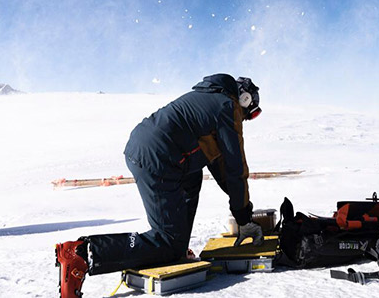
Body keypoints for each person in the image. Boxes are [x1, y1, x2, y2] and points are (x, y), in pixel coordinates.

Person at [55, 75, 263, 297]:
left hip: (149, 149)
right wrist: (243, 218)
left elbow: (221, 168)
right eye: (247, 114)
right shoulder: (227, 106)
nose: (243, 120)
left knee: (192, 180)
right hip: (160, 159)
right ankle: (83, 253)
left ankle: (178, 249)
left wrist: (242, 213)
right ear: (244, 98)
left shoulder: (208, 98)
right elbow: (235, 167)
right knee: (167, 241)